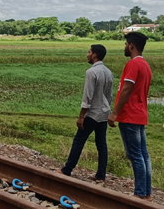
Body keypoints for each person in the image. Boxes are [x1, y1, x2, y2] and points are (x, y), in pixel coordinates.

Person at [57, 44, 113, 181]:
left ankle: (67, 169)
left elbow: (87, 97)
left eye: (89, 52)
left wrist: (81, 116)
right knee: (101, 144)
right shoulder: (108, 72)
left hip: (93, 113)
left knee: (78, 140)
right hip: (104, 113)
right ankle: (101, 175)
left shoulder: (91, 72)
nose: (87, 54)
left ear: (94, 55)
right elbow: (109, 95)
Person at [108, 31, 152, 201]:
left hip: (129, 116)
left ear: (131, 46)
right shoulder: (145, 65)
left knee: (135, 155)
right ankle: (146, 192)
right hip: (140, 115)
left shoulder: (133, 65)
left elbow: (126, 89)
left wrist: (114, 113)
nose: (125, 47)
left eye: (126, 44)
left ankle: (140, 193)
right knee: (143, 154)